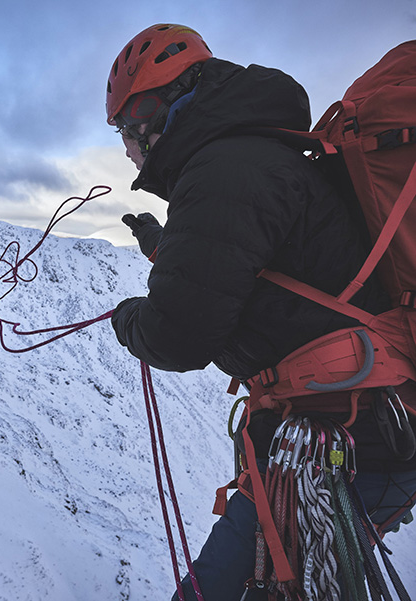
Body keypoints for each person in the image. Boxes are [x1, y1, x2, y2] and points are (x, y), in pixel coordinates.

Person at [106, 24, 416, 600]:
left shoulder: (223, 168)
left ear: (154, 115)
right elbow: (248, 264)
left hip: (341, 439)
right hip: (364, 425)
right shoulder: (247, 155)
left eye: (125, 125)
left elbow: (176, 335)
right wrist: (159, 245)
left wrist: (127, 319)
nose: (124, 144)